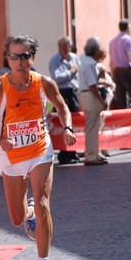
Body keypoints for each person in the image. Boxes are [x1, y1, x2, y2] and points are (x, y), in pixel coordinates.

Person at [0, 34, 76, 260]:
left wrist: (68, 128)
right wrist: (0, 141)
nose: (19, 61)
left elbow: (62, 107)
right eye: (14, 56)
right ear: (7, 58)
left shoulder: (44, 83)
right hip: (11, 156)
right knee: (16, 218)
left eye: (24, 56)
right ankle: (27, 213)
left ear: (32, 58)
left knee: (44, 204)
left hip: (40, 150)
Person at [49, 36, 80, 164]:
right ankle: (64, 153)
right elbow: (56, 77)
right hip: (62, 93)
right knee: (64, 123)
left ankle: (73, 152)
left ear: (70, 47)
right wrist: (70, 72)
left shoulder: (74, 58)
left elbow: (80, 74)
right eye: (61, 46)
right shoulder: (54, 60)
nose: (63, 49)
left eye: (65, 46)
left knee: (75, 122)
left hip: (74, 93)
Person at [78, 36, 108, 166]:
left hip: (84, 95)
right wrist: (101, 100)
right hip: (90, 95)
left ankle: (93, 153)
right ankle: (91, 156)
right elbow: (92, 85)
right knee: (92, 127)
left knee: (92, 127)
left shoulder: (83, 59)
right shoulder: (90, 63)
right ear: (96, 50)